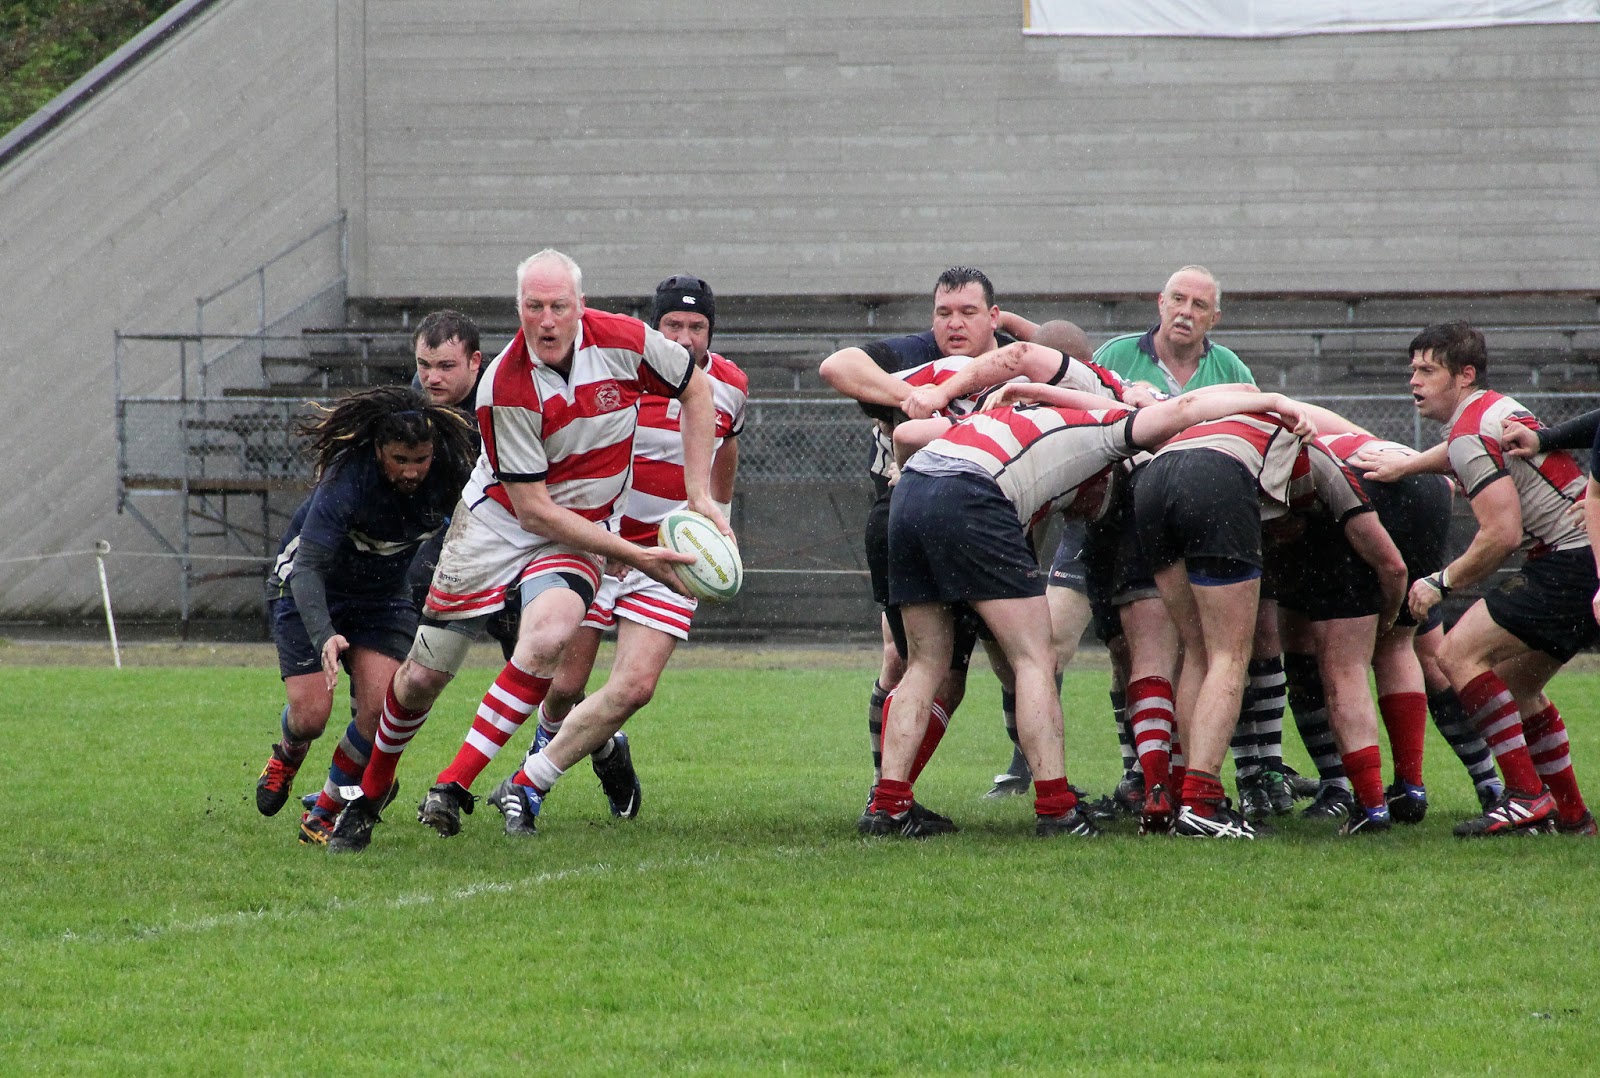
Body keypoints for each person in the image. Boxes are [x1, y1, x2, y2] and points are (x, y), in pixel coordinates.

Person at [326, 249, 730, 853]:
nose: (546, 320)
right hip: (498, 524)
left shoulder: (627, 342)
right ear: (518, 309)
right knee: (421, 679)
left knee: (548, 638)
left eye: (558, 306)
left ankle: (453, 784)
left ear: (580, 306)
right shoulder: (505, 385)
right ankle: (373, 788)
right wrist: (633, 552)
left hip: (582, 527)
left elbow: (697, 391)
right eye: (533, 306)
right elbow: (535, 511)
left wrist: (699, 494)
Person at [865, 382, 1311, 837]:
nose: (1080, 515)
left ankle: (888, 807)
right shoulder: (1107, 431)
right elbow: (1186, 406)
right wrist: (1272, 401)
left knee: (925, 663)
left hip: (910, 493)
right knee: (1034, 659)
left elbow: (907, 434)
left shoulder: (994, 417)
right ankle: (1056, 809)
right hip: (973, 494)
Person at [424, 274, 747, 834]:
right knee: (565, 686)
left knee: (636, 687)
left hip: (669, 555)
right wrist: (609, 532)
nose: (685, 337)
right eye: (673, 325)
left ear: (712, 331)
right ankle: (605, 748)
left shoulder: (731, 386)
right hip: (597, 539)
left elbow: (727, 450)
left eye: (697, 326)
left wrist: (716, 514)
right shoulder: (627, 370)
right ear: (655, 328)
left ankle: (528, 784)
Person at [816, 267, 1019, 829]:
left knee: (1006, 659)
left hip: (985, 523)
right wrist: (916, 396)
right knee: (925, 665)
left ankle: (895, 793)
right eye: (943, 313)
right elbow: (837, 366)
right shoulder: (918, 355)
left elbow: (1056, 351)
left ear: (993, 318)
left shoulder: (1013, 359)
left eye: (968, 313)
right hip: (910, 517)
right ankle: (888, 792)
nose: (953, 324)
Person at [253, 386, 476, 844]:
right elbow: (307, 568)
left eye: (420, 459)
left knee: (380, 710)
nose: (411, 471)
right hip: (309, 589)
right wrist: (325, 635)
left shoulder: (452, 474)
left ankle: (327, 810)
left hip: (380, 598)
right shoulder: (348, 478)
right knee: (311, 716)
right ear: (378, 450)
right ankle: (289, 751)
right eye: (400, 460)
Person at [1397, 323, 1593, 836]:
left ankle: (1526, 796)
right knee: (1515, 685)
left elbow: (1501, 534)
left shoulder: (1469, 432)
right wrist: (1406, 467)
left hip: (1568, 559)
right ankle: (1572, 815)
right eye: (1413, 369)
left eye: (1427, 370)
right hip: (1584, 557)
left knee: (1455, 654)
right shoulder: (1492, 410)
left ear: (1464, 375)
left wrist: (1439, 582)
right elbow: (1460, 450)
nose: (1414, 380)